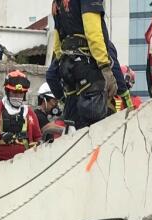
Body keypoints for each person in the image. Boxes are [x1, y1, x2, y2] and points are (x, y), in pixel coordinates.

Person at [51, 0, 119, 128]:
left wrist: (62, 62)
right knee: (94, 122)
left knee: (73, 122)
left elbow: (57, 39)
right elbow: (93, 33)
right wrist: (104, 66)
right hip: (86, 67)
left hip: (67, 65)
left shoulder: (57, 2)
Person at [0, 71, 42, 165]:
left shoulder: (29, 113)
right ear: (7, 92)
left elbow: (38, 137)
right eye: (14, 93)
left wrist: (41, 143)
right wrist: (0, 135)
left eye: (21, 93)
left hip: (22, 163)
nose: (18, 96)